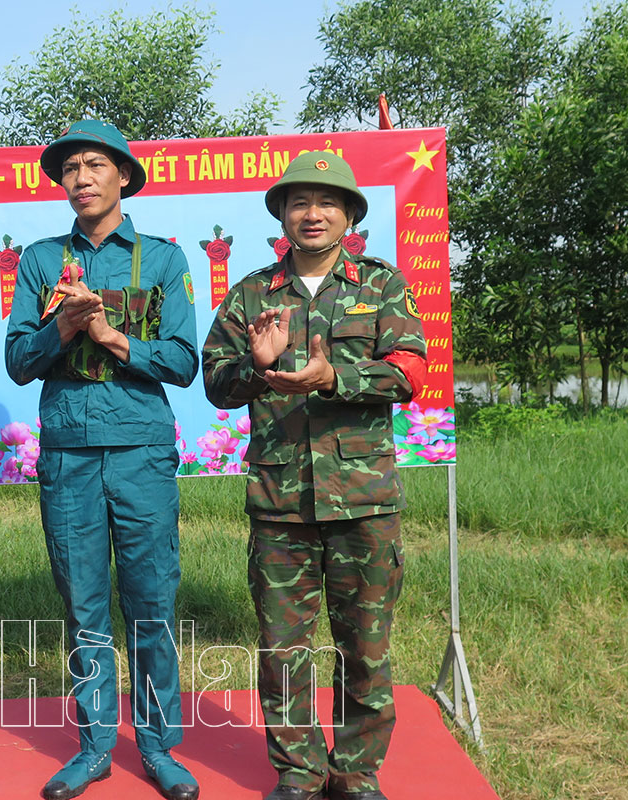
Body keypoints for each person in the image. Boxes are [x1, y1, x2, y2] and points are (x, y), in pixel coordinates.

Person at [201, 151, 427, 800]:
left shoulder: (381, 286)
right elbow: (216, 384)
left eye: (328, 202)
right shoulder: (250, 294)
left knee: (366, 650)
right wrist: (253, 362)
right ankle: (298, 773)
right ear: (281, 214)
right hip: (280, 506)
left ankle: (355, 774)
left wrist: (335, 376)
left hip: (364, 502)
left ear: (350, 215)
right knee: (282, 653)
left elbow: (411, 373)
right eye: (299, 202)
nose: (313, 213)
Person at [5, 119, 200, 800]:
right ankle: (93, 748)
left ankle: (157, 748)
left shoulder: (165, 261)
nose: (80, 178)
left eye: (93, 165)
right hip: (68, 458)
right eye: (69, 169)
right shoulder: (39, 260)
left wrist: (111, 335)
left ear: (122, 174)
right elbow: (17, 362)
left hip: (142, 453)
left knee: (151, 603)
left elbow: (181, 363)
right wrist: (61, 326)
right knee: (84, 607)